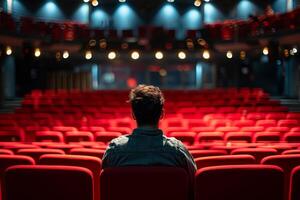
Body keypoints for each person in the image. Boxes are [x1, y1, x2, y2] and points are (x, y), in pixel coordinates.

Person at [102, 84, 197, 185]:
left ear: (133, 114)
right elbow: (195, 185)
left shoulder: (114, 151)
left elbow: (106, 187)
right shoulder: (178, 152)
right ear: (161, 114)